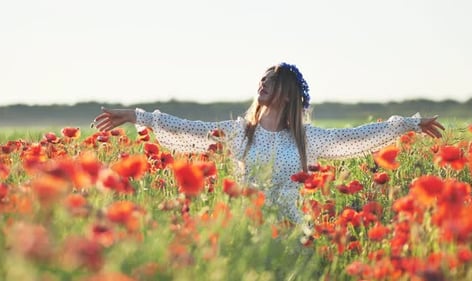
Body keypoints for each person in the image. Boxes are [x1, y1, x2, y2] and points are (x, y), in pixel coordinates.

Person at [93, 62, 444, 224]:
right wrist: (135, 115)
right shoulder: (238, 131)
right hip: (249, 223)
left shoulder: (306, 139)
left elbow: (354, 135)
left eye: (272, 80)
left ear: (288, 95)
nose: (262, 83)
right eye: (262, 78)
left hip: (292, 228)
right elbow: (189, 128)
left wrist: (409, 124)